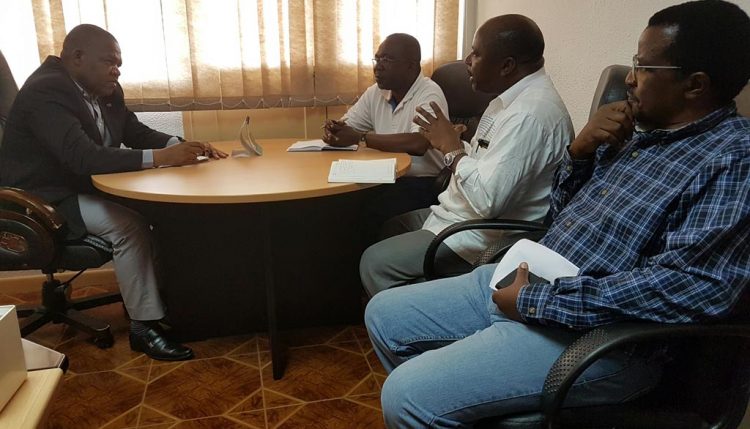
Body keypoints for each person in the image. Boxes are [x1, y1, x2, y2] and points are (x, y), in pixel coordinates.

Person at [364, 0, 750, 426]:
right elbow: (561, 215)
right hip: (530, 277)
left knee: (407, 395)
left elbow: (690, 288)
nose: (630, 79)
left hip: (596, 335)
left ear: (695, 86)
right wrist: (579, 155)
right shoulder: (640, 135)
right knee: (383, 313)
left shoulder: (733, 159)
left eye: (643, 67)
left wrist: (536, 300)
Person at [0, 24, 227, 361]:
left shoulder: (104, 89)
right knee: (128, 225)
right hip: (42, 198)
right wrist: (161, 159)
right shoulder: (46, 92)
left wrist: (180, 145)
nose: (116, 70)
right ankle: (144, 328)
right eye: (109, 62)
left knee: (162, 212)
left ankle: (165, 301)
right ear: (77, 57)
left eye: (119, 63)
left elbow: (133, 130)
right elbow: (82, 157)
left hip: (80, 186)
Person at [359, 15, 574, 297]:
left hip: (479, 233)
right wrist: (456, 140)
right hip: (457, 214)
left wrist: (452, 149)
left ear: (506, 65)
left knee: (374, 263)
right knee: (391, 226)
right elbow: (488, 162)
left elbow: (488, 201)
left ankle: (422, 322)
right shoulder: (508, 101)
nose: (467, 61)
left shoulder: (529, 115)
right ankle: (420, 298)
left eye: (476, 53)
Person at [322, 33, 450, 232]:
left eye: (387, 60)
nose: (378, 66)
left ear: (411, 66)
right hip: (385, 176)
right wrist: (335, 130)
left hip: (422, 182)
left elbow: (419, 143)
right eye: (377, 59)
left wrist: (360, 138)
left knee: (366, 210)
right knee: (338, 201)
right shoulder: (377, 91)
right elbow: (349, 125)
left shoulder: (429, 93)